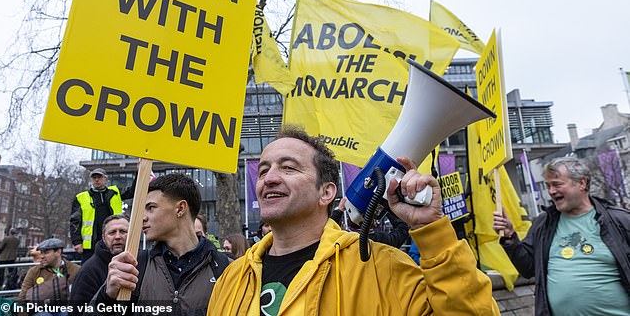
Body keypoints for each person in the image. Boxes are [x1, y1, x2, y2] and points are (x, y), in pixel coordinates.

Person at [207, 126, 498, 315]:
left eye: (288, 168)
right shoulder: (232, 279)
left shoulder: (384, 268)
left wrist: (432, 234)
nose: (269, 178)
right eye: (264, 171)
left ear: (326, 192)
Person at [493, 156, 630, 316]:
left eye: (557, 184)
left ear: (582, 183)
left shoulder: (620, 221)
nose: (551, 191)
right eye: (548, 186)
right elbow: (528, 268)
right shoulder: (544, 223)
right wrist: (510, 238)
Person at [92, 173, 230, 315]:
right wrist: (107, 297)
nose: (142, 218)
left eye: (151, 207)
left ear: (180, 208)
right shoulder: (134, 266)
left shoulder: (226, 269)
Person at [70, 168, 134, 263]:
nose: (96, 180)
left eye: (99, 177)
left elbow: (132, 191)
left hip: (113, 241)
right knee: (90, 273)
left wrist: (139, 170)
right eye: (94, 177)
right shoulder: (81, 198)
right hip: (90, 246)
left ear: (106, 179)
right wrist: (77, 242)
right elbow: (74, 222)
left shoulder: (115, 193)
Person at [69, 215, 129, 313]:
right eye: (112, 232)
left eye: (123, 231)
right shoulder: (88, 272)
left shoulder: (143, 263)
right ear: (103, 237)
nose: (118, 236)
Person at [18, 238, 80, 313]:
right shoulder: (34, 271)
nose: (42, 256)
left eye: (46, 253)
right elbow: (22, 298)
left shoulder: (76, 270)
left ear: (58, 252)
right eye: (41, 253)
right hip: (41, 311)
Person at [330, 196, 410, 248]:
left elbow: (328, 230)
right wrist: (387, 208)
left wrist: (339, 209)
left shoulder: (343, 241)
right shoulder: (382, 240)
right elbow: (402, 227)